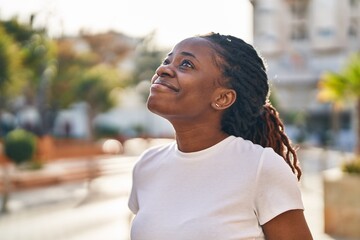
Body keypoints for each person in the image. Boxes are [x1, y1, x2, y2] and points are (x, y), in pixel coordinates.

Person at [128, 32, 313, 240]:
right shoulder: (147, 165)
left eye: (186, 64)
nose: (163, 69)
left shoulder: (261, 166)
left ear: (223, 98)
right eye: (167, 61)